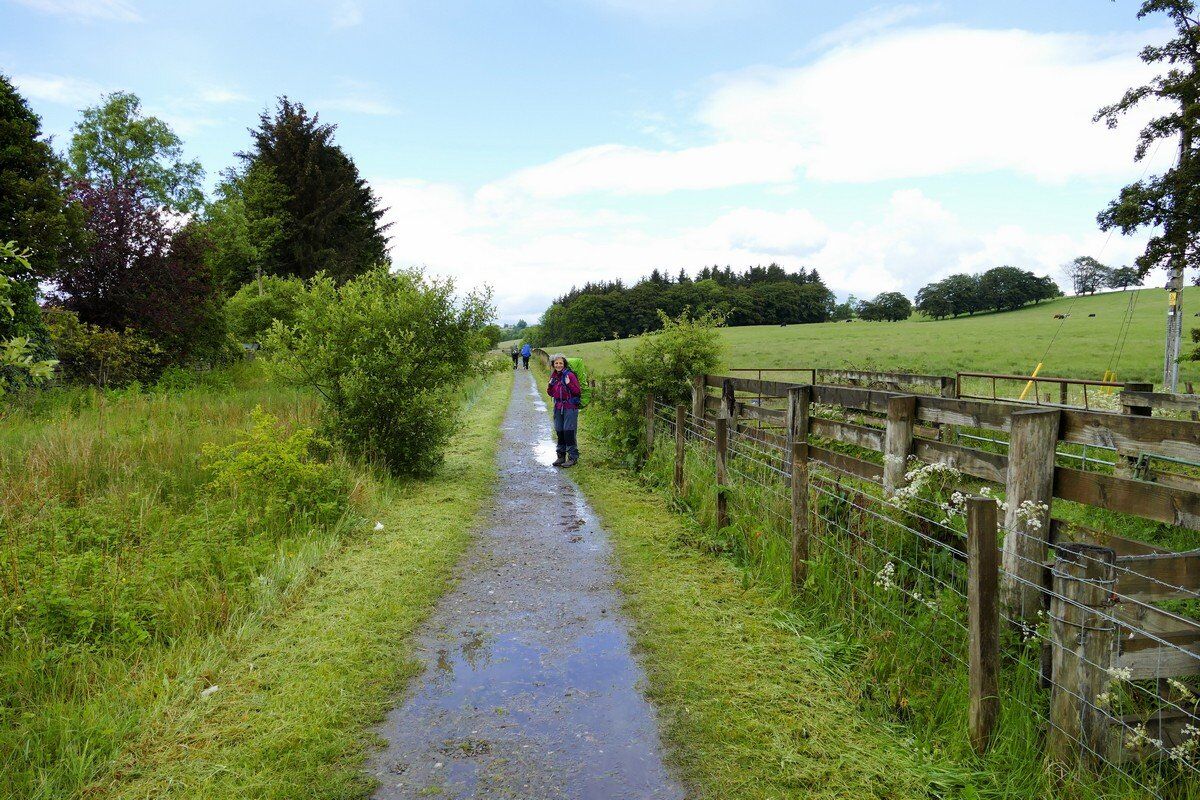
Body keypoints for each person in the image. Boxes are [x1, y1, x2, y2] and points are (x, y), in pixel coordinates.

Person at [547, 353, 581, 467]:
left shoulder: (570, 375)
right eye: (556, 363)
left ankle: (572, 457)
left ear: (564, 364)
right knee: (559, 431)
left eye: (560, 363)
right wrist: (550, 385)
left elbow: (577, 392)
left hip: (570, 407)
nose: (558, 365)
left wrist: (569, 383)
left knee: (569, 431)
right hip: (558, 407)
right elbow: (550, 393)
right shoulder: (553, 376)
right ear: (553, 364)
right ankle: (561, 457)